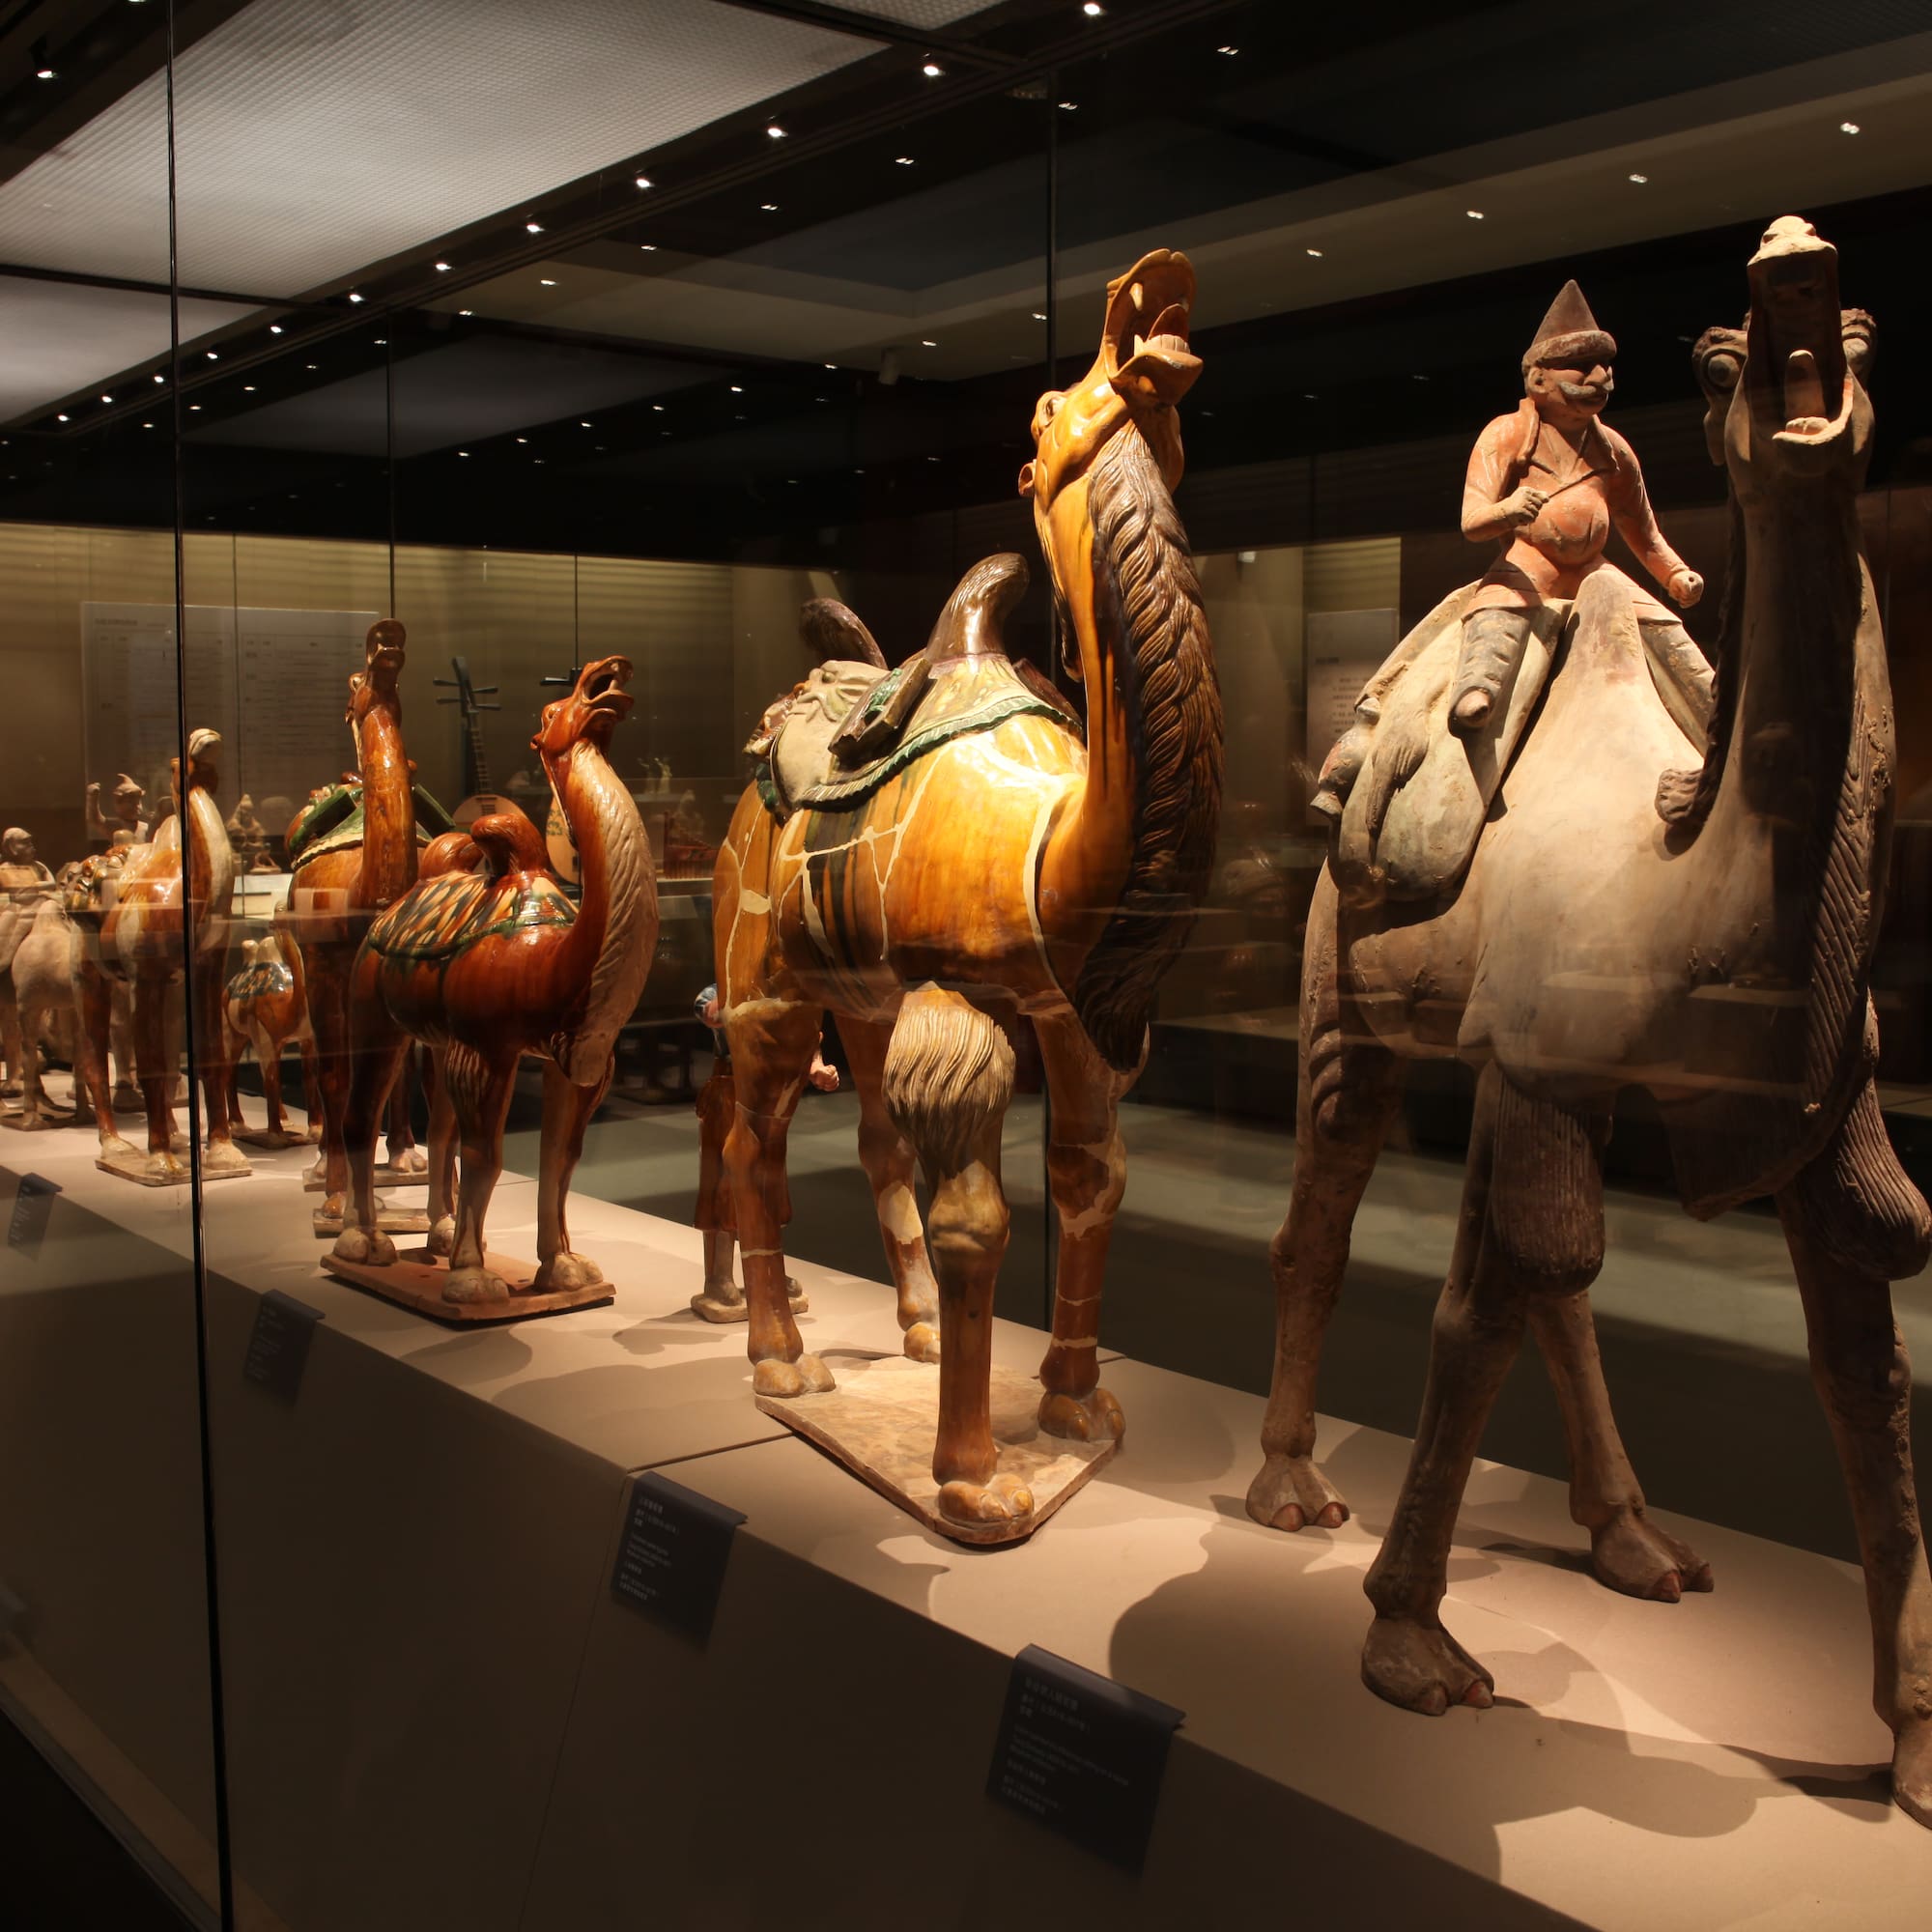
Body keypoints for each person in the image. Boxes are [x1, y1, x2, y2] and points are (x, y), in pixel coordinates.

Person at [1452, 280, 1703, 737]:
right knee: (1497, 623)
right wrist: (1508, 511)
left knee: (1665, 630)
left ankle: (1710, 708)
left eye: (1604, 366)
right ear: (1538, 378)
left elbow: (1642, 531)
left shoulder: (1613, 451)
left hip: (1594, 570)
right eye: (1578, 368)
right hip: (1528, 567)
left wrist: (1674, 574)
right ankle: (1477, 693)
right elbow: (1472, 521)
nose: (1598, 378)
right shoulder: (1506, 435)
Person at [690, 982, 838, 1319]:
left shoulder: (791, 989)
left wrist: (817, 1068)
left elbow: (808, 1039)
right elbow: (708, 1009)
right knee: (723, 1188)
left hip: (771, 1097)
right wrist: (733, 1005)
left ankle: (769, 1270)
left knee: (770, 1184)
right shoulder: (726, 986)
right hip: (731, 1089)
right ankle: (719, 1277)